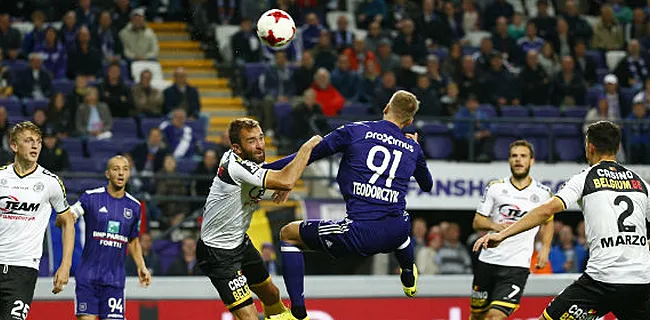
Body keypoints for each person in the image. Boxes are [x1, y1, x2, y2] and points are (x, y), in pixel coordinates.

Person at [265, 90, 433, 320]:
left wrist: (267, 170)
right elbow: (427, 185)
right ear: (409, 121)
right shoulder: (413, 148)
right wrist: (414, 149)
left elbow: (310, 154)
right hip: (397, 231)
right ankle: (408, 272)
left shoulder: (356, 131)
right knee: (400, 223)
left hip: (360, 233)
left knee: (288, 234)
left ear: (386, 107)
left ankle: (297, 313)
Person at [475, 121, 650, 319]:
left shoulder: (585, 178)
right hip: (640, 281)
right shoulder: (640, 183)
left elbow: (546, 210)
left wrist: (503, 234)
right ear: (618, 147)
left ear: (589, 147)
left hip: (601, 281)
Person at [196, 118, 321, 320]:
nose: (260, 145)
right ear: (236, 147)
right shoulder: (235, 167)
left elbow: (277, 175)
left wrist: (277, 186)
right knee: (249, 317)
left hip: (240, 244)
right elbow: (287, 180)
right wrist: (307, 148)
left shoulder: (249, 163)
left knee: (272, 295)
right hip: (218, 254)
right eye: (252, 141)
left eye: (261, 138)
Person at [470, 140, 554, 320]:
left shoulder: (543, 193)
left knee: (495, 317)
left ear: (532, 161)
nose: (518, 160)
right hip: (488, 261)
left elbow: (548, 221)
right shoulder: (496, 188)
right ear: (508, 160)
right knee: (477, 316)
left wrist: (545, 249)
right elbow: (477, 221)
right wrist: (494, 226)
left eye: (523, 156)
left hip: (517, 266)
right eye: (514, 156)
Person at [0, 121, 75, 319]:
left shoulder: (50, 182)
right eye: (28, 141)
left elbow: (68, 221)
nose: (35, 146)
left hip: (23, 271)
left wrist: (65, 265)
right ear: (14, 146)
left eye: (38, 142)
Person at [70, 155, 151, 320]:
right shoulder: (91, 197)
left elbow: (133, 240)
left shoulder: (134, 206)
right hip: (88, 277)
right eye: (116, 169)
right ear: (107, 174)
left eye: (125, 169)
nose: (121, 173)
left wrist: (141, 266)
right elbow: (69, 215)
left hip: (114, 280)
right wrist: (66, 216)